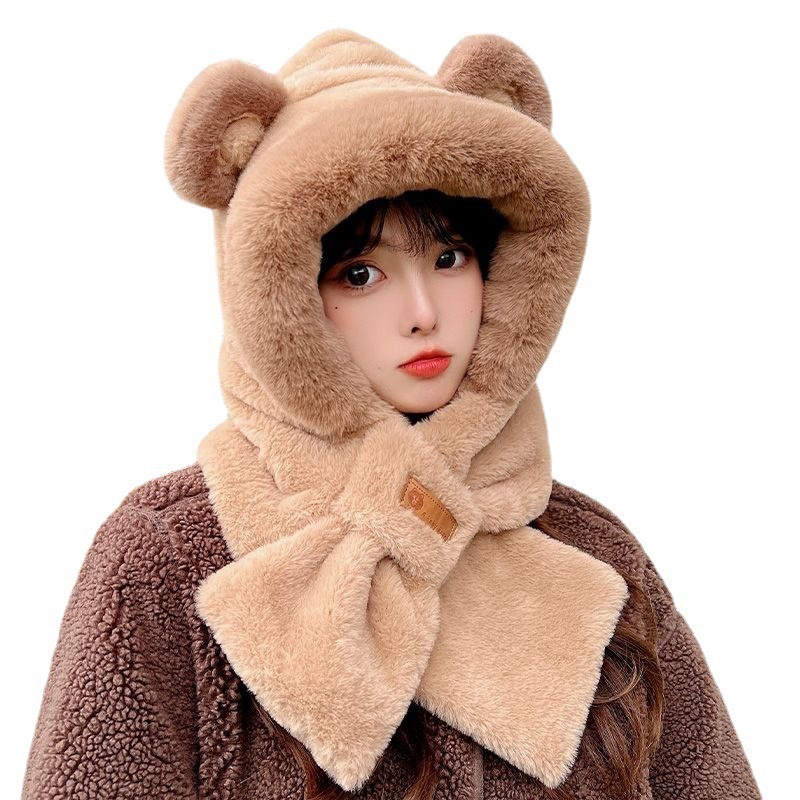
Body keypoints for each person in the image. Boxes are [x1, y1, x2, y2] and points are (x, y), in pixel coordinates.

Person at [21, 29, 761, 800]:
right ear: (282, 297)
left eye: (449, 258)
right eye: (360, 273)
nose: (422, 312)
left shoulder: (594, 554)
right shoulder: (168, 559)